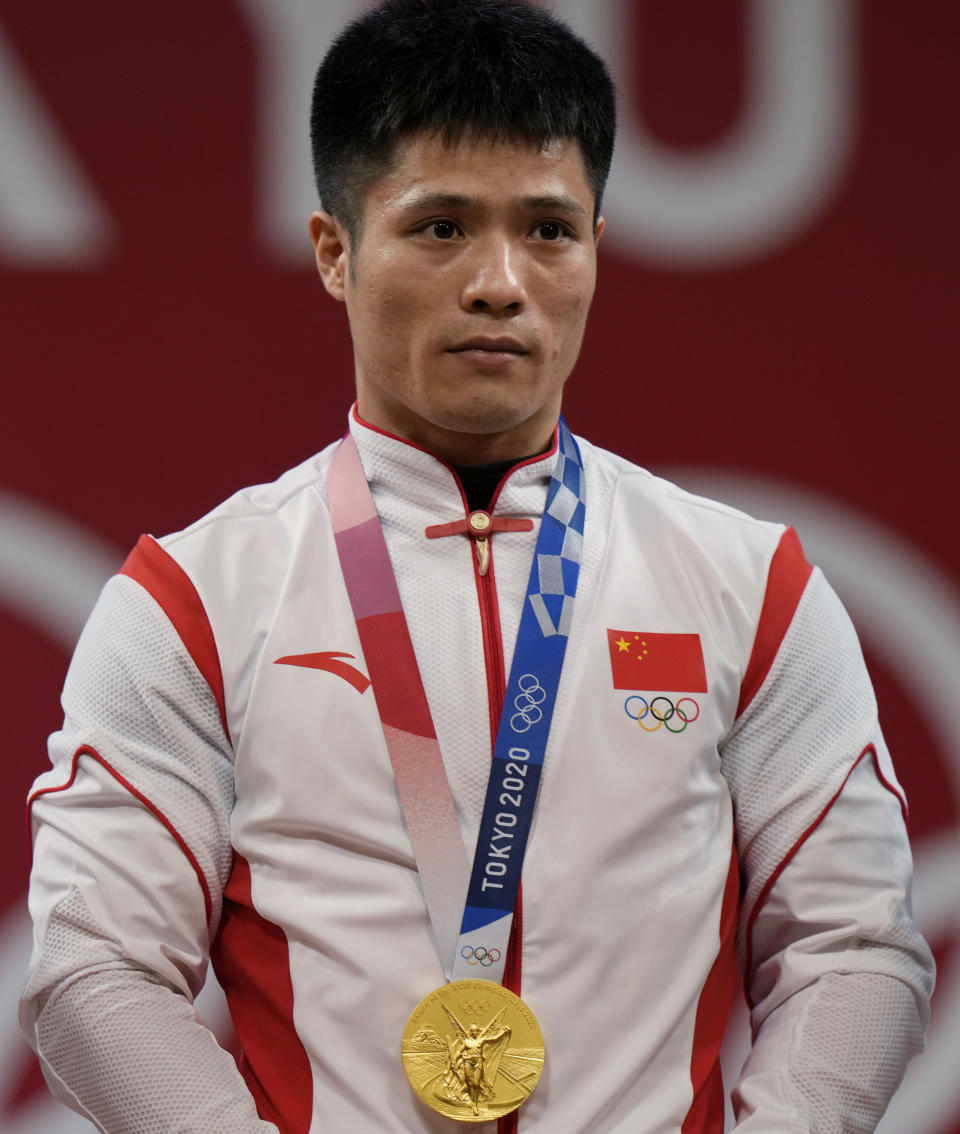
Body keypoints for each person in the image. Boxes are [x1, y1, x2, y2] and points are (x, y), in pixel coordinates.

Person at [21, 1, 934, 1131]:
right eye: (441, 227)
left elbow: (853, 947)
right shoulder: (195, 602)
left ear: (598, 248)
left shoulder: (753, 588)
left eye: (548, 229)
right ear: (335, 252)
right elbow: (92, 967)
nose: (501, 282)